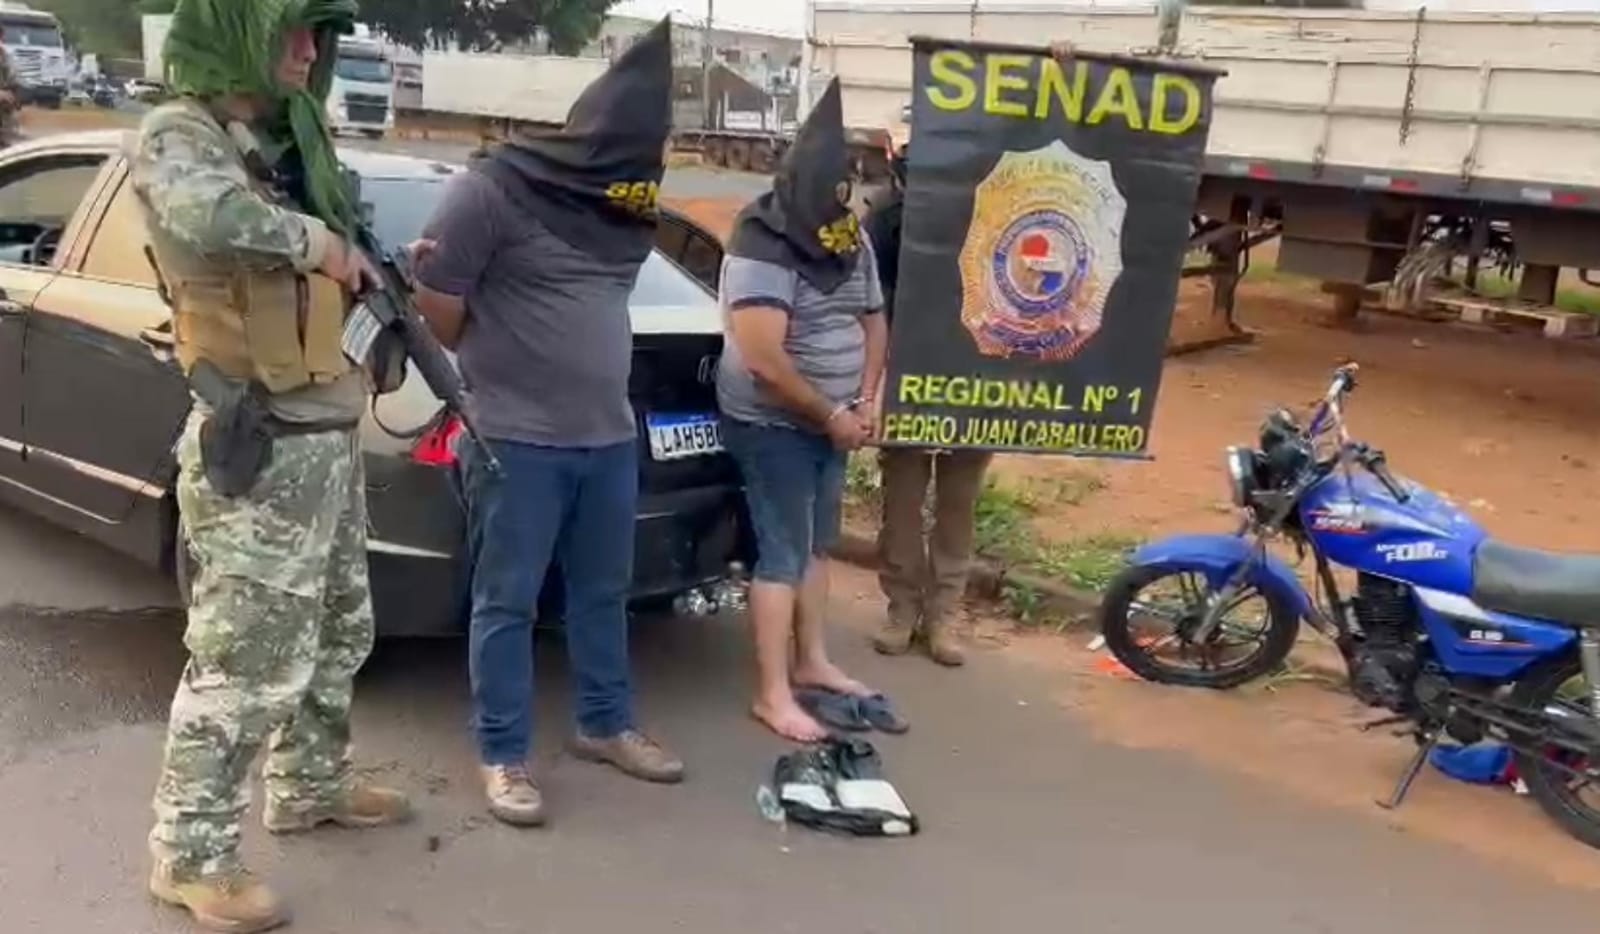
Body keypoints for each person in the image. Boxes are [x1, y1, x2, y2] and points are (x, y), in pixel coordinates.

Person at [135, 1, 412, 930]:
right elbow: (204, 216)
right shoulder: (181, 135)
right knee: (240, 663)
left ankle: (308, 783)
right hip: (258, 440)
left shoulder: (287, 144)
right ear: (236, 35)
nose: (309, 51)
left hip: (323, 436)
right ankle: (190, 854)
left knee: (338, 632)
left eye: (315, 35)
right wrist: (318, 243)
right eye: (291, 31)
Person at [409, 19, 684, 829]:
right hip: (515, 440)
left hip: (607, 437)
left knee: (604, 592)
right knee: (508, 603)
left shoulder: (623, 210)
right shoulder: (492, 188)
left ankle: (605, 724)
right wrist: (503, 370)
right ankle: (502, 754)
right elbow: (440, 306)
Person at [717, 79, 894, 742]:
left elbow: (876, 319)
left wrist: (867, 398)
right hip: (774, 423)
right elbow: (763, 358)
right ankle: (772, 693)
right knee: (782, 553)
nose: (840, 201)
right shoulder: (762, 241)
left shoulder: (846, 235)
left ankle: (813, 662)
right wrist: (830, 415)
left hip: (837, 417)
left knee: (818, 545)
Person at [864, 142, 993, 668]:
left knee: (957, 503)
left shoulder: (993, 214)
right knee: (903, 499)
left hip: (976, 378)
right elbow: (874, 304)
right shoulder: (888, 222)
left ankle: (944, 615)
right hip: (910, 375)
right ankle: (901, 609)